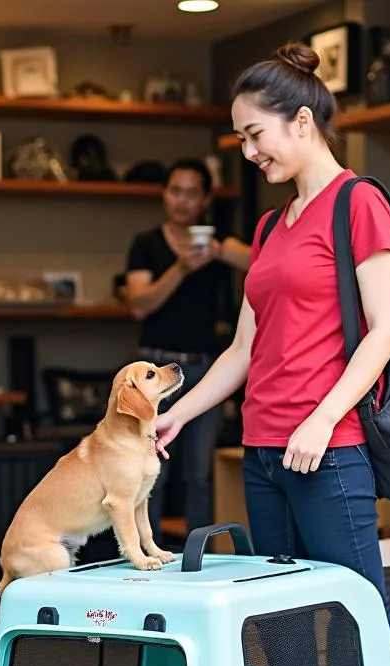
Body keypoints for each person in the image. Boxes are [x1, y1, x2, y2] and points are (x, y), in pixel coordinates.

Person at [154, 42, 390, 666]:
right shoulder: (273, 226)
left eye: (255, 135)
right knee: (281, 633)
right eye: (241, 140)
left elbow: (383, 329)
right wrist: (181, 413)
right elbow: (245, 346)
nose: (250, 153)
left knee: (362, 622)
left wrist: (322, 416)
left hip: (331, 450)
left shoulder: (360, 206)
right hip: (268, 451)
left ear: (301, 120)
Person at [125, 158, 245, 541]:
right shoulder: (146, 244)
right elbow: (139, 303)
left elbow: (264, 260)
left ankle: (199, 553)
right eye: (175, 191)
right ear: (164, 193)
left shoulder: (217, 245)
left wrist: (219, 251)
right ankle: (147, 549)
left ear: (206, 199)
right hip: (154, 368)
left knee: (198, 472)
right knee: (150, 468)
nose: (182, 200)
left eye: (193, 193)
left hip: (206, 370)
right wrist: (180, 268)